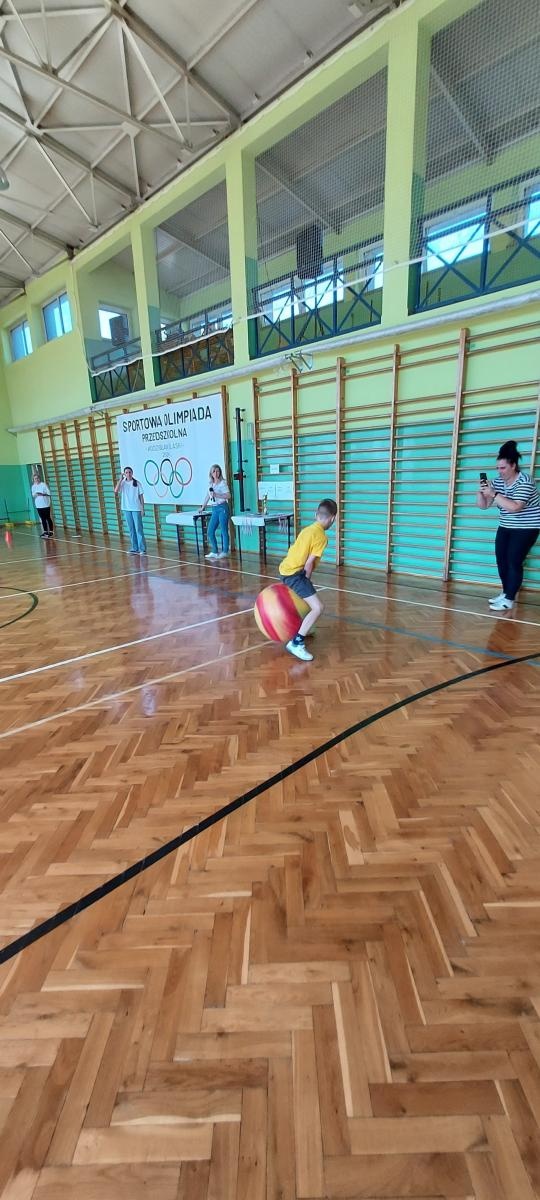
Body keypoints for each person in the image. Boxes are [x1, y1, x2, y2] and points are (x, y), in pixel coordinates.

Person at [477, 439, 540, 612]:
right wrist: (482, 492)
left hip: (527, 528)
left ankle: (509, 599)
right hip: (506, 526)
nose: (500, 471)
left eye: (503, 468)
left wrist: (494, 493)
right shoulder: (498, 482)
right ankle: (506, 593)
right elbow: (483, 506)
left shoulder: (525, 481)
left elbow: (515, 507)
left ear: (513, 466)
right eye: (498, 468)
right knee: (501, 561)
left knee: (513, 561)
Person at [278, 498, 337, 660]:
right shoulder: (322, 537)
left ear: (316, 515)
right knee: (318, 607)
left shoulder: (308, 530)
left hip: (284, 569)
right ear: (333, 518)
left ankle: (305, 627)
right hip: (295, 574)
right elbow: (309, 563)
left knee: (306, 598)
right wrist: (307, 580)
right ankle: (297, 643)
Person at [199, 464, 231, 560]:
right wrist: (203, 507)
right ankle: (214, 551)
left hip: (222, 508)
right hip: (214, 509)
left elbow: (228, 495)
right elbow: (208, 496)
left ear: (220, 472)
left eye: (217, 471)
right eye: (214, 471)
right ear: (211, 473)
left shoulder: (222, 483)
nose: (216, 473)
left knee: (223, 530)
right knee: (210, 531)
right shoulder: (211, 484)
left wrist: (217, 494)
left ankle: (225, 551)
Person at [114, 466, 147, 555]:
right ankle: (134, 548)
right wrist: (120, 480)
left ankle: (142, 548)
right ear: (124, 474)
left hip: (136, 509)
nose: (128, 474)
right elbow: (116, 490)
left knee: (138, 529)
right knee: (131, 529)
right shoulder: (123, 483)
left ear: (132, 473)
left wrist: (142, 509)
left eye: (129, 472)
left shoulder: (137, 483)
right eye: (126, 472)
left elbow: (141, 497)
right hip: (126, 509)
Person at [31, 471, 54, 538]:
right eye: (35, 478)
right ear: (33, 479)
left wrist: (42, 494)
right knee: (42, 518)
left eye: (37, 478)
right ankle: (45, 532)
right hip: (38, 505)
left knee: (48, 518)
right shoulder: (33, 486)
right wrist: (36, 494)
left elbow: (49, 493)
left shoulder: (43, 484)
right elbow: (33, 495)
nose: (37, 479)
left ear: (39, 478)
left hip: (45, 504)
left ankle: (51, 532)